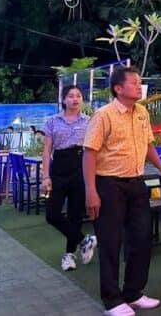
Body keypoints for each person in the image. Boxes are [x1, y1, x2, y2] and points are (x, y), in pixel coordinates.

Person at [83, 66, 161, 316]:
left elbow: (147, 146)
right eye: (134, 82)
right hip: (108, 184)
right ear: (118, 88)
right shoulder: (104, 115)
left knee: (142, 238)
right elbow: (89, 152)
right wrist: (90, 190)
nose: (139, 85)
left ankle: (133, 292)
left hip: (136, 183)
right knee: (111, 242)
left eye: (139, 81)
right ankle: (112, 300)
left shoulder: (142, 113)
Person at [42, 85, 97, 272]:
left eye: (78, 96)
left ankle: (69, 255)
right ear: (63, 99)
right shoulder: (52, 121)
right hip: (59, 165)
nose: (75, 99)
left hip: (80, 166)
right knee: (52, 214)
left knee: (75, 214)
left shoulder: (89, 121)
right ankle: (85, 239)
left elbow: (94, 148)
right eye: (71, 96)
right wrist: (45, 176)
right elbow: (47, 150)